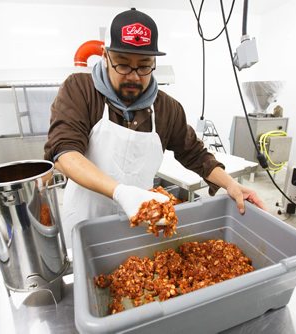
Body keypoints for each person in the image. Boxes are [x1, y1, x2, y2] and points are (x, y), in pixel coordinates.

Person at [44, 8, 265, 247]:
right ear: (105, 56)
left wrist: (231, 185)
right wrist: (120, 193)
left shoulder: (166, 108)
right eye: (123, 65)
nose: (134, 77)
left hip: (142, 222)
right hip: (86, 222)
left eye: (144, 66)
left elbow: (196, 154)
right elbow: (65, 152)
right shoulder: (80, 90)